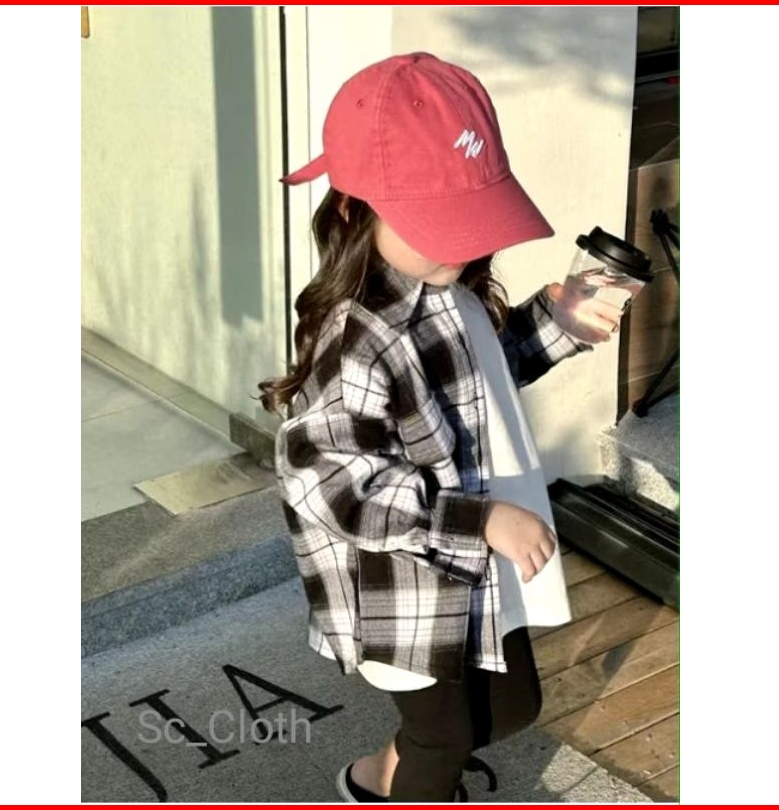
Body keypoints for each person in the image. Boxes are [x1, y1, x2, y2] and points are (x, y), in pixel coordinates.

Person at [259, 53, 623, 803]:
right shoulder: (355, 342)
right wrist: (480, 519)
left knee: (514, 708)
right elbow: (339, 489)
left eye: (470, 221)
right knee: (442, 739)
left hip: (475, 565)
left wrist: (560, 321)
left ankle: (374, 776)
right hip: (406, 585)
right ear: (352, 211)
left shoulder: (448, 289)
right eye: (438, 223)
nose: (460, 246)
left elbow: (485, 380)